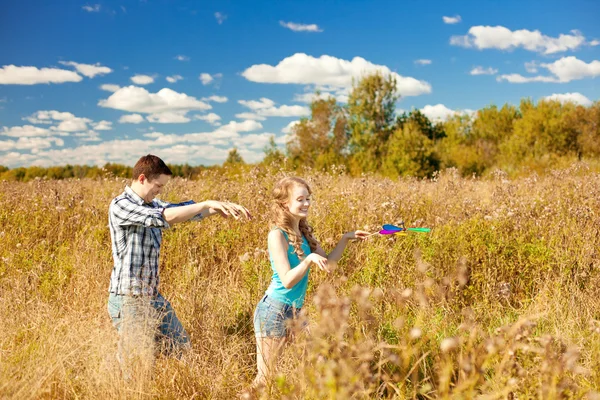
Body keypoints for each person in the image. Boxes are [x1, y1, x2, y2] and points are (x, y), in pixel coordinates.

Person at [107, 154, 251, 380]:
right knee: (139, 367)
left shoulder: (151, 203)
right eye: (158, 186)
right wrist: (205, 204)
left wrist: (219, 208)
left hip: (152, 296)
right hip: (129, 298)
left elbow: (186, 211)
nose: (160, 191)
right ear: (142, 178)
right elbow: (166, 216)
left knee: (182, 348)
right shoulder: (121, 205)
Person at [251, 176, 369, 387]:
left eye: (308, 198)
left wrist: (345, 238)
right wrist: (308, 260)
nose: (306, 203)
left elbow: (329, 265)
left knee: (319, 363)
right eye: (300, 199)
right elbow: (287, 280)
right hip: (273, 311)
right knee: (265, 378)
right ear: (285, 203)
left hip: (296, 312)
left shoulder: (304, 233)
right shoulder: (276, 235)